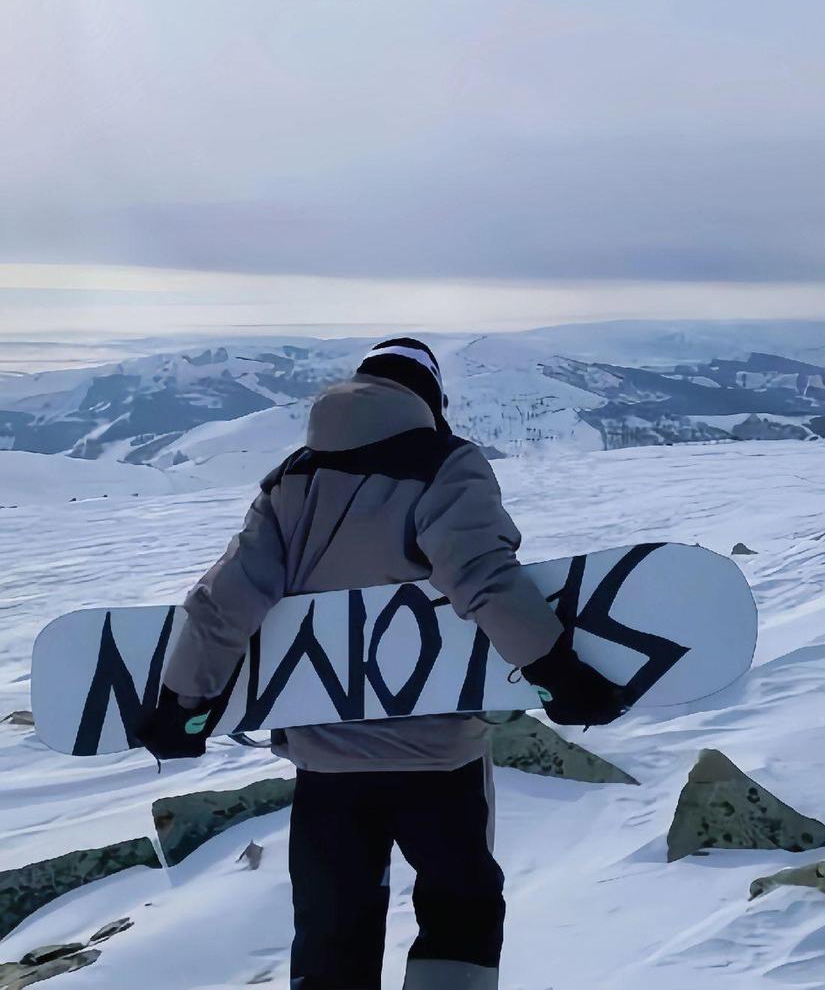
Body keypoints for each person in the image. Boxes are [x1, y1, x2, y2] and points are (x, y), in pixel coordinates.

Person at [137, 337, 627, 990]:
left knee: (333, 932)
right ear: (427, 397)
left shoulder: (293, 480)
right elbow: (482, 577)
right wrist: (557, 672)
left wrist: (183, 704)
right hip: (437, 760)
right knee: (461, 914)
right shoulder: (444, 465)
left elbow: (224, 602)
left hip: (326, 768)